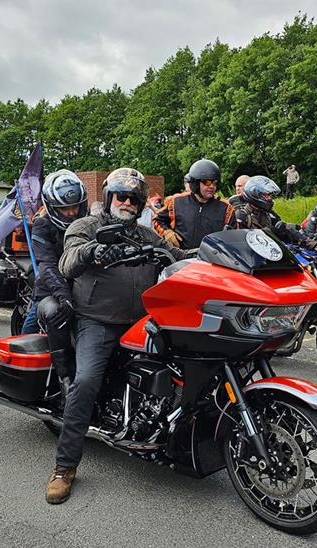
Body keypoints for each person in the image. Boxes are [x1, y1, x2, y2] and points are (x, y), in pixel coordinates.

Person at [47, 167, 191, 504]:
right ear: (110, 197)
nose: (125, 202)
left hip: (143, 319)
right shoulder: (87, 226)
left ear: (141, 204)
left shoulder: (145, 235)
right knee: (85, 381)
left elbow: (179, 258)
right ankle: (64, 467)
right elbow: (68, 260)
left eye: (133, 198)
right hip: (97, 320)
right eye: (120, 196)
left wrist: (210, 257)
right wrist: (91, 252)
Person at [30, 169, 89, 396]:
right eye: (65, 208)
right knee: (56, 313)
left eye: (76, 206)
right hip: (50, 291)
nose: (72, 212)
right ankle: (65, 378)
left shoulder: (88, 222)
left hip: (84, 287)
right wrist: (64, 295)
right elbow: (46, 265)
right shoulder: (42, 225)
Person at [152, 158, 234, 249]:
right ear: (195, 183)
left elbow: (233, 237)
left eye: (215, 183)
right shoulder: (176, 202)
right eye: (207, 182)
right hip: (181, 258)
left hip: (211, 259)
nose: (212, 186)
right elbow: (157, 219)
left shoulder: (226, 209)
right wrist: (166, 232)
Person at [233, 176, 317, 249]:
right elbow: (241, 243)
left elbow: (285, 229)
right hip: (253, 259)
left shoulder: (269, 213)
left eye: (270, 195)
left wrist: (313, 244)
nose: (270, 198)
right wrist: (270, 231)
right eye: (266, 195)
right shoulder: (241, 215)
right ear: (254, 194)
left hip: (273, 254)